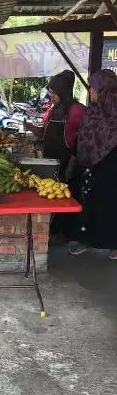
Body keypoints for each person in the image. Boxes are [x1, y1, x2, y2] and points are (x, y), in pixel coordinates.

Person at [69, 69, 117, 260]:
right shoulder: (93, 110)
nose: (91, 92)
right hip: (91, 164)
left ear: (105, 89)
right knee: (88, 200)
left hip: (112, 164)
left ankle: (114, 243)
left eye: (94, 88)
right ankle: (85, 239)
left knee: (111, 203)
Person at [25, 70, 85, 181]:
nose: (51, 97)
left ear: (63, 92)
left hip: (68, 166)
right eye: (50, 93)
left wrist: (70, 168)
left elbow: (81, 143)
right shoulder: (53, 110)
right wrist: (29, 127)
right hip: (50, 163)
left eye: (54, 93)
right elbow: (44, 132)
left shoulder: (77, 110)